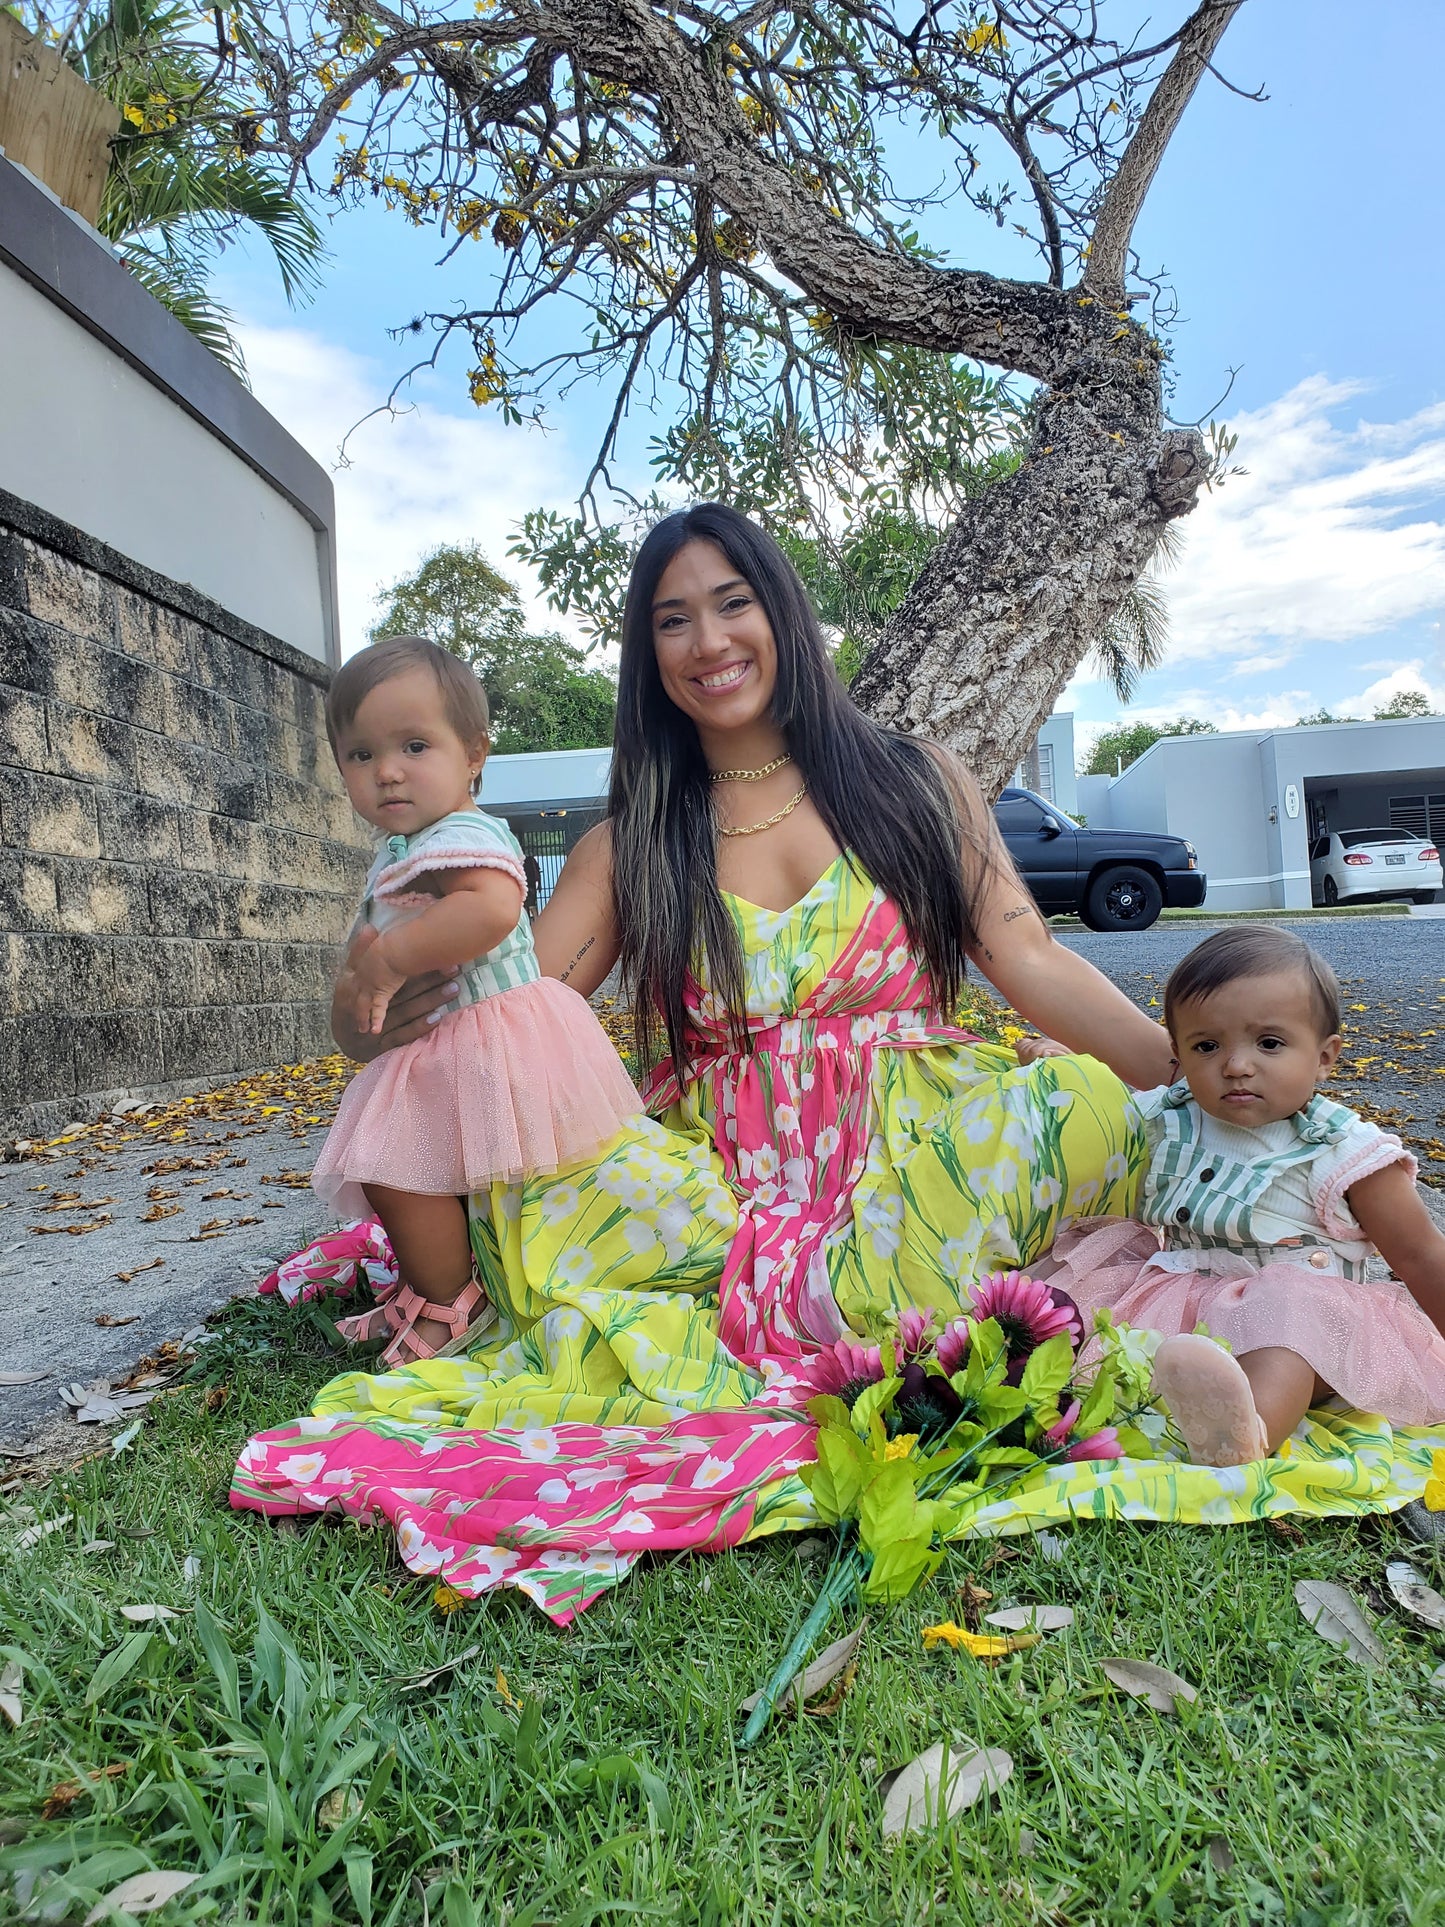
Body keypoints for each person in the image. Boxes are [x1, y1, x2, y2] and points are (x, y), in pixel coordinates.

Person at [233, 505, 1180, 1605]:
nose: (707, 641)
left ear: (781, 607)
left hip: (910, 1169)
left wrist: (1186, 1071)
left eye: (731, 602)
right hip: (710, 1206)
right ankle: (864, 1317)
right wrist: (365, 1018)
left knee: (1076, 1101)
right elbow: (508, 1008)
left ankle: (849, 1304)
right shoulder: (634, 838)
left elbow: (1028, 957)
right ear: (647, 656)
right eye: (670, 620)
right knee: (555, 1174)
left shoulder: (914, 781)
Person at [308, 635, 643, 1368]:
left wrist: (394, 953)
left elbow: (492, 907)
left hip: (490, 1035)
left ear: (473, 754)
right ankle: (441, 1284)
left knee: (399, 1169)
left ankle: (448, 1301)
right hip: (449, 1039)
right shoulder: (405, 845)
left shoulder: (459, 833)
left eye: (415, 745)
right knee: (413, 1172)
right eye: (360, 755)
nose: (387, 771)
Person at [1042, 925, 1445, 1465]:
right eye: (1206, 1046)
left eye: (1269, 1043)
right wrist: (1057, 1068)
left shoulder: (1341, 1150)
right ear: (1178, 1055)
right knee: (1089, 1312)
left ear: (1325, 1057)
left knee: (1289, 1325)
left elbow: (1420, 1254)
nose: (1235, 1064)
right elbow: (1097, 1109)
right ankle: (1137, 1400)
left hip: (1312, 1319)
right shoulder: (1169, 1119)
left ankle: (1245, 1433)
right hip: (1190, 1303)